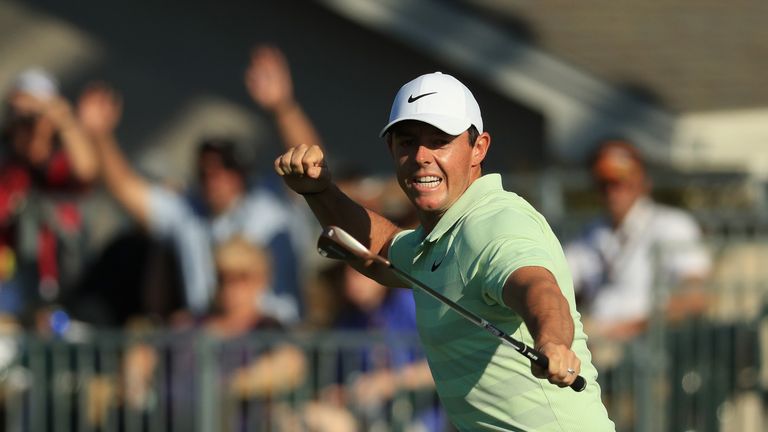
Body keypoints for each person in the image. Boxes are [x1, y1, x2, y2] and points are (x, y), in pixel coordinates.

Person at [274, 71, 614, 430]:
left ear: (478, 148)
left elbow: (537, 288)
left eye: (440, 141)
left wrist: (553, 341)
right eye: (407, 142)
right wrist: (320, 191)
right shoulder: (438, 236)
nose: (421, 156)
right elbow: (379, 250)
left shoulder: (496, 221)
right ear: (392, 150)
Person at [76, 45, 322, 321]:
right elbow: (125, 189)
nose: (215, 177)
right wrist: (99, 137)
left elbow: (310, 163)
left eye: (226, 166)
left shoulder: (272, 201)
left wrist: (283, 107)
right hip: (209, 347)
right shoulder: (187, 211)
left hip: (274, 343)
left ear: (242, 172)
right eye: (205, 170)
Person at [564, 138, 712, 343]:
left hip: (653, 346)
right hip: (597, 347)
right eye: (604, 183)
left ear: (642, 182)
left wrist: (631, 328)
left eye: (621, 181)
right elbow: (559, 283)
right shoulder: (588, 233)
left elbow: (695, 298)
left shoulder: (672, 225)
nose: (612, 191)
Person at [0, 68, 97, 321]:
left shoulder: (59, 167)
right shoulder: (8, 168)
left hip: (61, 293)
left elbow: (87, 169)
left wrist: (61, 118)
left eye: (32, 118)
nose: (24, 125)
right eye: (17, 116)